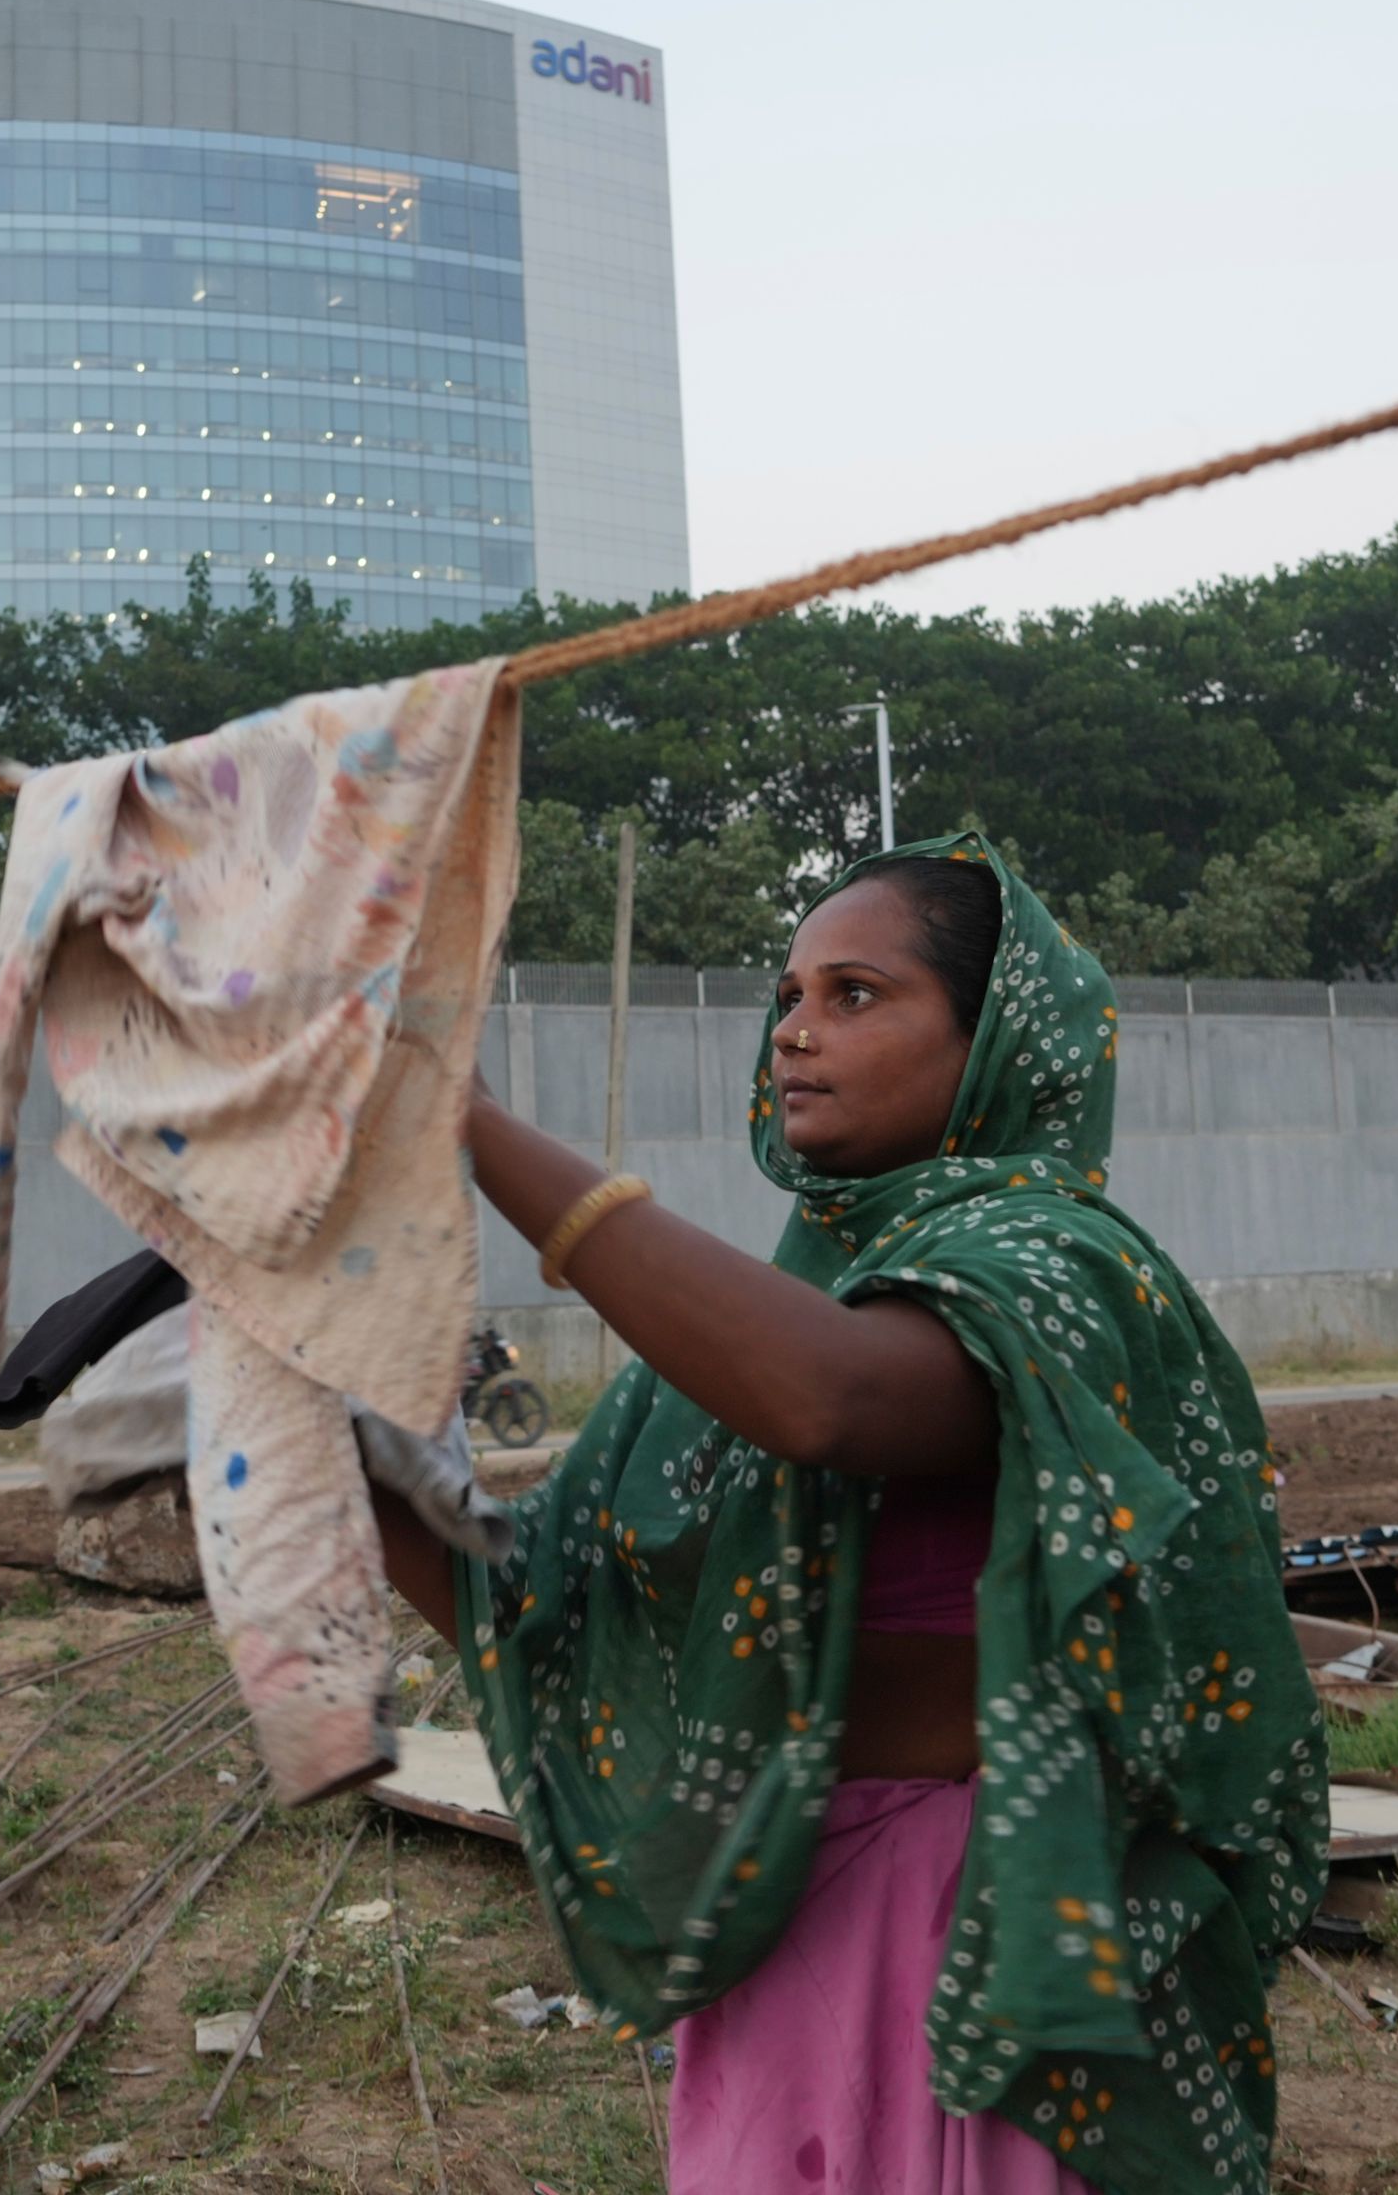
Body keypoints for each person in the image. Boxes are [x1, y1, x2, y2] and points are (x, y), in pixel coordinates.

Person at [373, 836, 1328, 2194]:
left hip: (997, 1926)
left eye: (856, 995)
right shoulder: (779, 1312)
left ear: (994, 1037)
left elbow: (832, 1403)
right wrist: (306, 1422)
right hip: (790, 1920)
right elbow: (538, 1603)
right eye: (787, 998)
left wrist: (469, 1123)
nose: (796, 1033)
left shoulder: (1057, 1267)